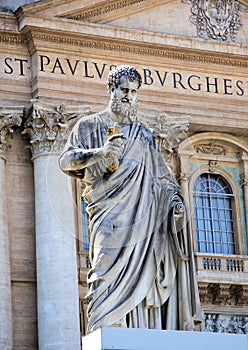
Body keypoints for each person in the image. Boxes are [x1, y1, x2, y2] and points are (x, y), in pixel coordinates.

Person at [59, 65, 202, 333]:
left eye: (134, 92)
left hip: (142, 225)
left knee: (141, 286)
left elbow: (163, 180)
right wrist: (101, 152)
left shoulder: (145, 136)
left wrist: (175, 205)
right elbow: (66, 161)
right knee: (103, 276)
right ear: (111, 90)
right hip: (108, 219)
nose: (129, 96)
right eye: (124, 90)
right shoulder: (88, 126)